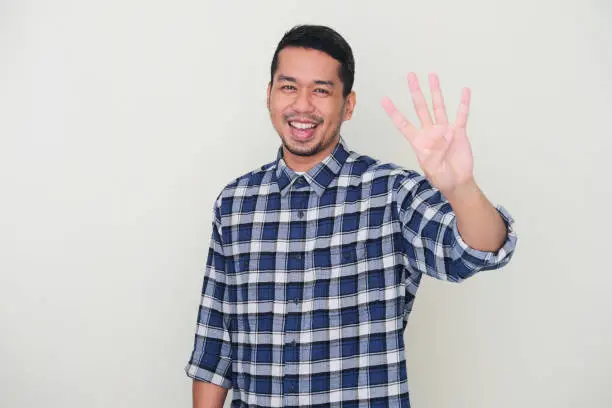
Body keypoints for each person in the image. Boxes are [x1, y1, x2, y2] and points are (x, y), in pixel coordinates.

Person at [185, 24, 517, 408]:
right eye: (289, 86)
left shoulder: (392, 193)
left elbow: (478, 250)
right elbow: (214, 347)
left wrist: (461, 188)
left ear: (348, 105)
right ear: (270, 95)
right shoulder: (235, 203)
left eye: (321, 90)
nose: (303, 105)